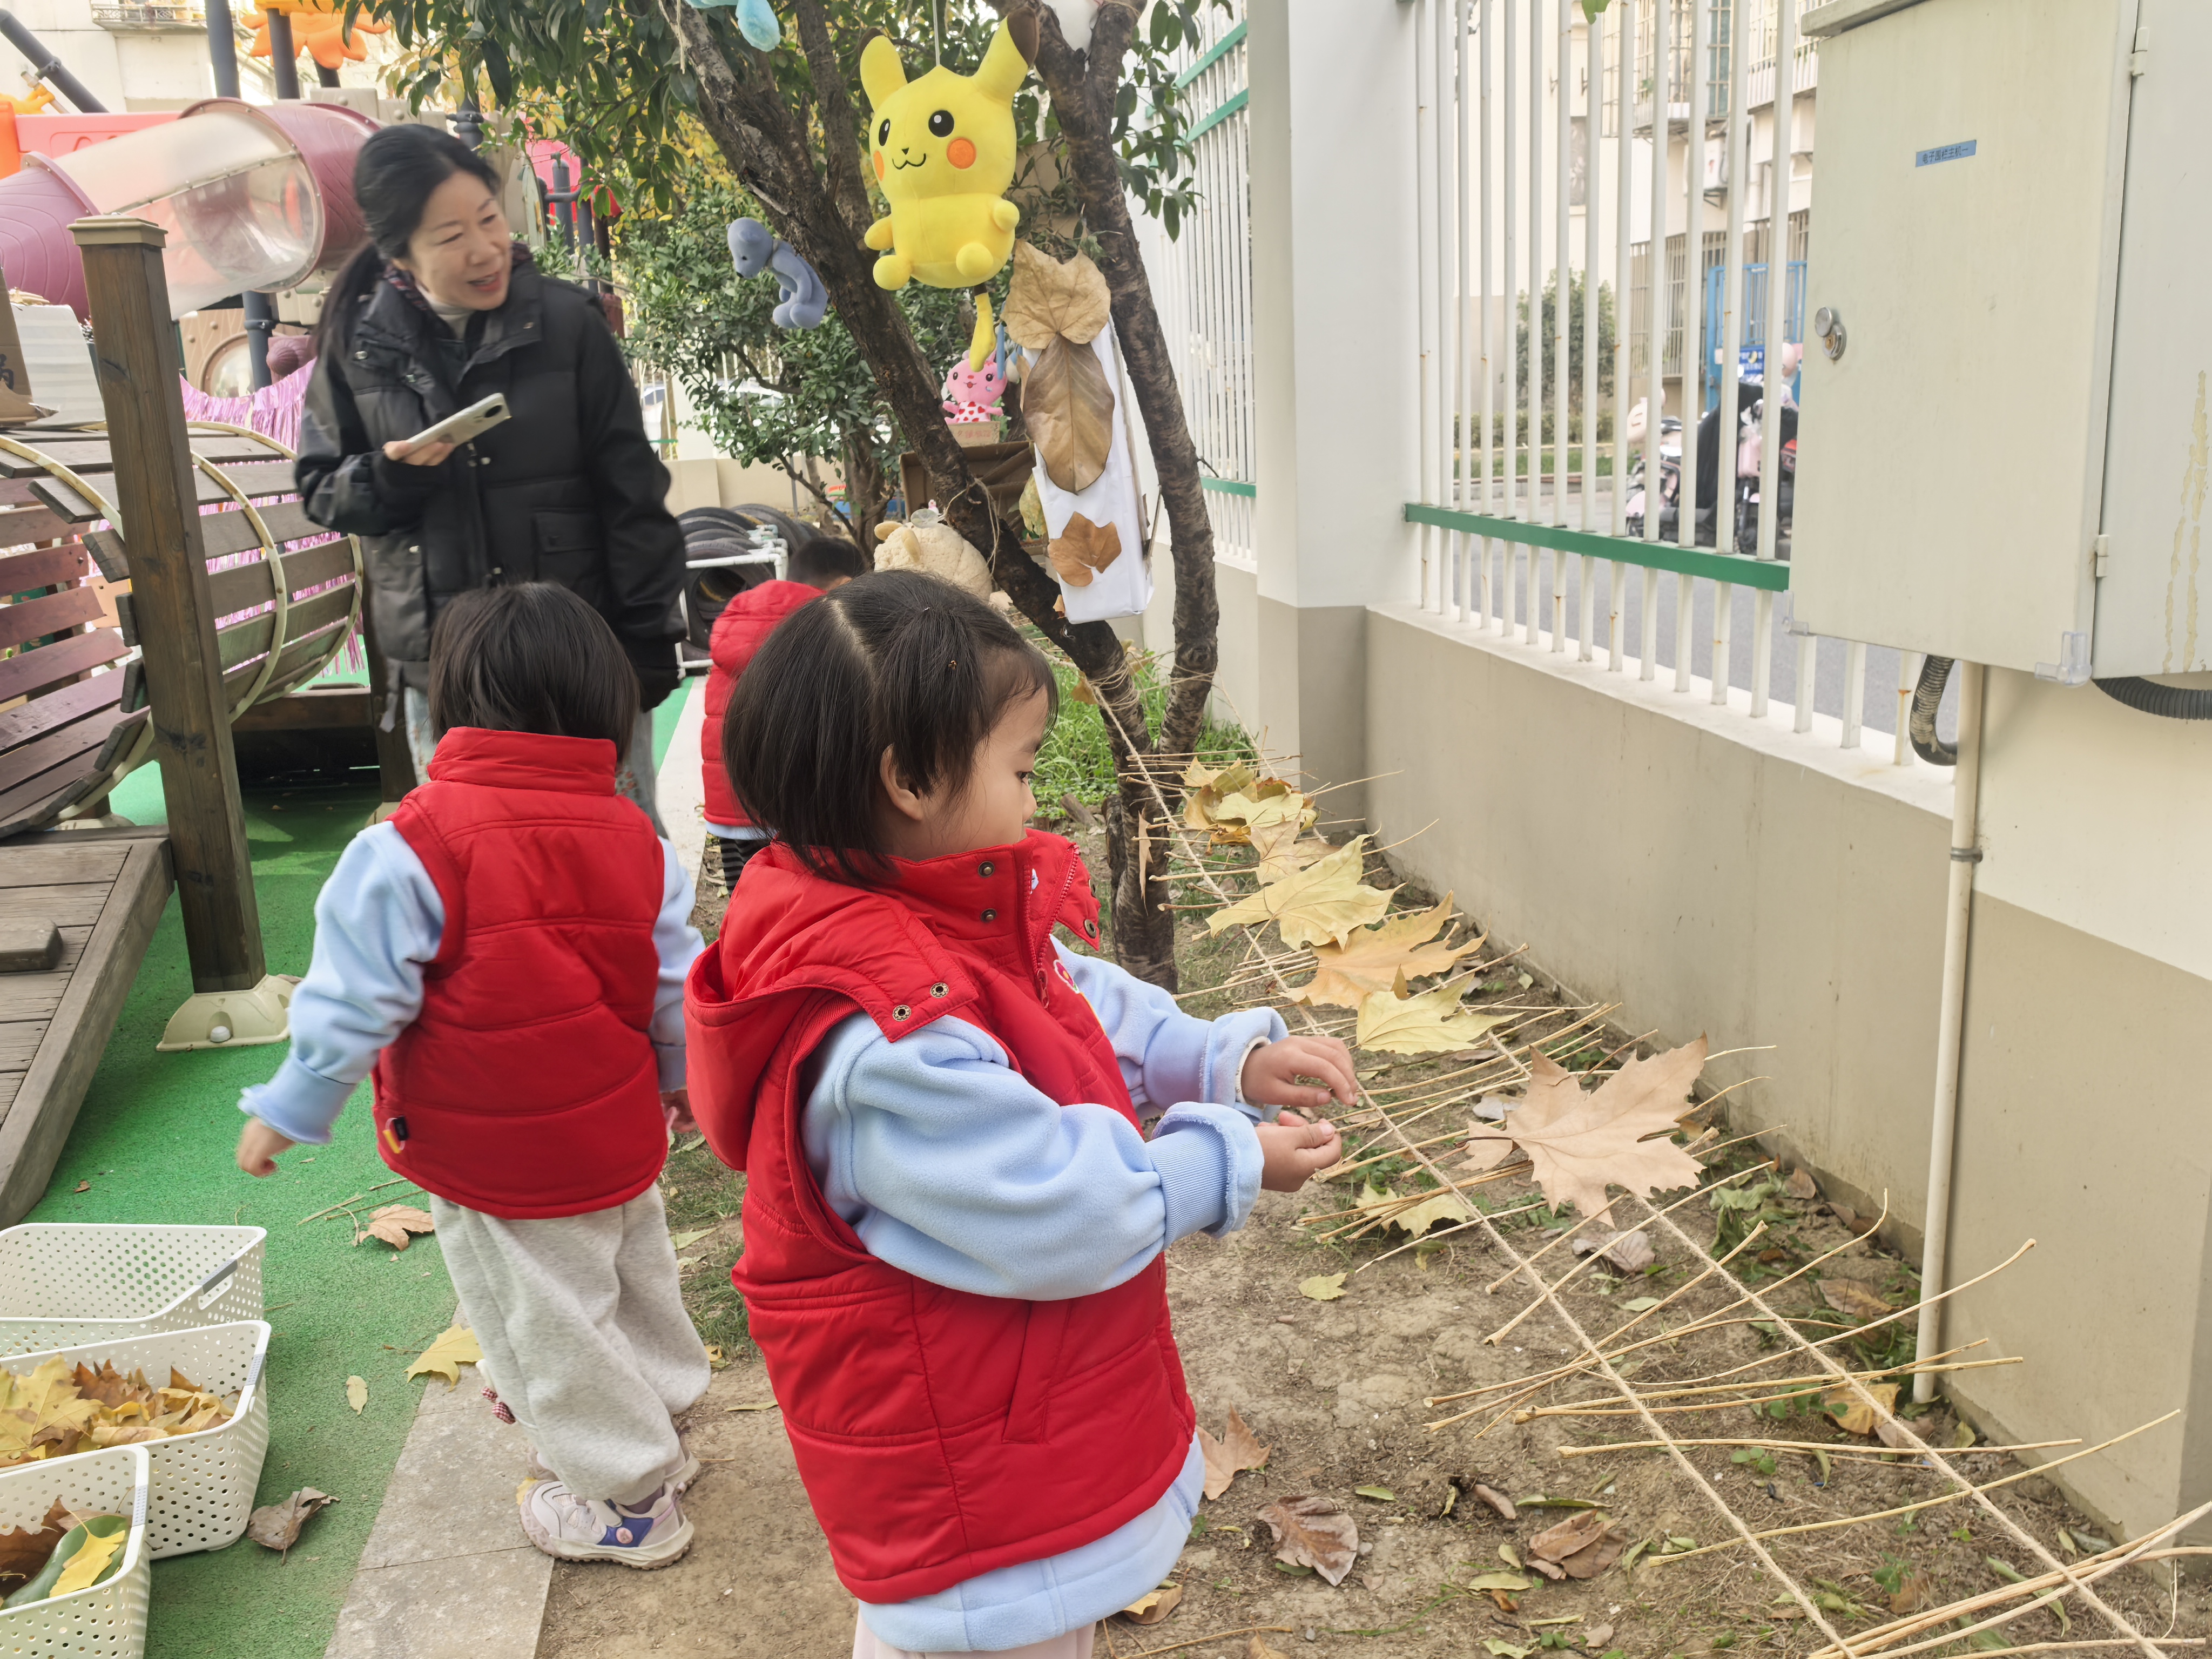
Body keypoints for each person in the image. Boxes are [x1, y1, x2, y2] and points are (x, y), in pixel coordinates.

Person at [685, 570, 1353, 1657]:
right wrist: (1229, 1157)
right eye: (1023, 768)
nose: (1035, 801)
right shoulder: (883, 1047)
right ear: (909, 780)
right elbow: (1069, 1211)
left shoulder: (922, 921)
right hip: (977, 1512)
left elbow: (1065, 997)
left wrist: (1213, 1059)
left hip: (1010, 1451)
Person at [232, 583, 711, 1569]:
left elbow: (352, 995)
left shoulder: (409, 846)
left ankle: (627, 1497)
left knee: (545, 1319)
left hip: (494, 1152)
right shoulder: (636, 836)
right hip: (616, 1127)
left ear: (449, 700)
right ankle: (661, 1418)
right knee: (634, 1272)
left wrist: (295, 1103)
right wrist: (680, 1079)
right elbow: (672, 980)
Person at [298, 124, 686, 829]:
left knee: (618, 850)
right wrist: (390, 479)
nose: (484, 249)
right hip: (445, 670)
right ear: (399, 253)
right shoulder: (358, 345)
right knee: (471, 857)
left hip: (579, 656)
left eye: (488, 218)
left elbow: (633, 493)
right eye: (451, 237)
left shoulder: (570, 324)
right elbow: (321, 488)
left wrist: (648, 640)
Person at [699, 534, 869, 895]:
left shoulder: (740, 614)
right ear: (845, 585)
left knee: (747, 899)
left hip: (727, 801)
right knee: (800, 901)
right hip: (787, 805)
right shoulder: (822, 625)